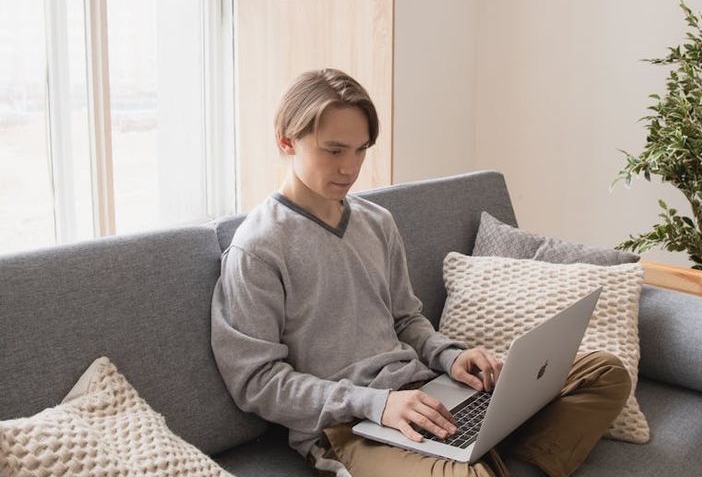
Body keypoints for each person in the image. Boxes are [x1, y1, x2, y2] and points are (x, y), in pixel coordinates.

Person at [211, 69, 631, 477]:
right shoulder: (258, 249)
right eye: (334, 150)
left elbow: (406, 319)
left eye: (361, 150)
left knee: (605, 372)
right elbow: (257, 382)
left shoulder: (377, 222)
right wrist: (377, 404)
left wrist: (451, 355)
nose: (350, 168)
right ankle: (482, 454)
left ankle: (484, 447)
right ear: (286, 141)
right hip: (350, 425)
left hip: (427, 388)